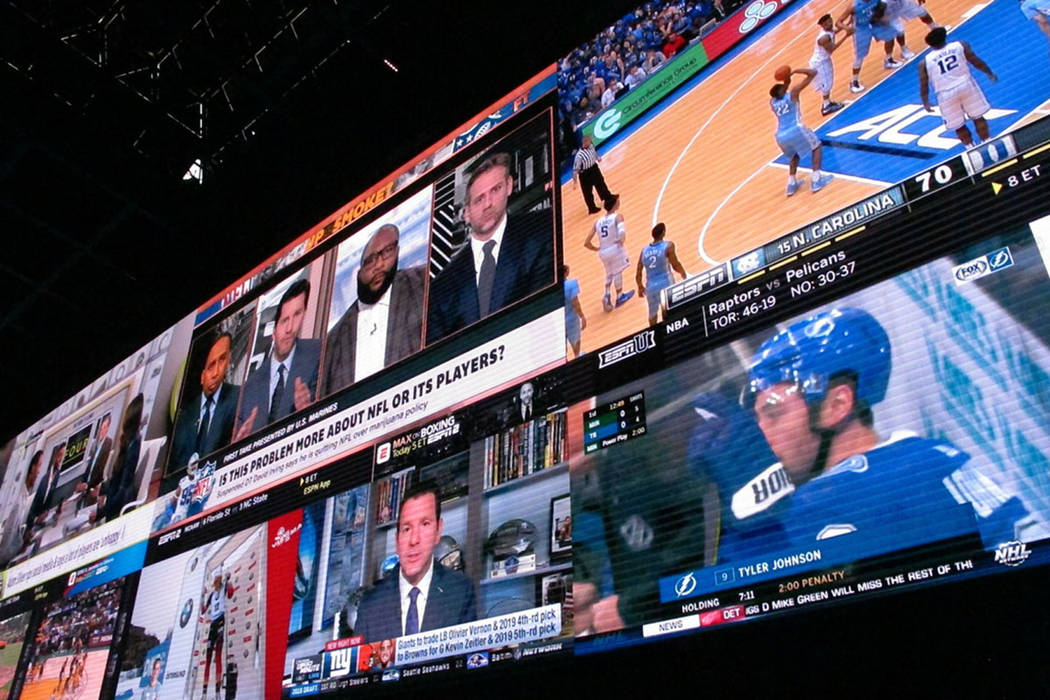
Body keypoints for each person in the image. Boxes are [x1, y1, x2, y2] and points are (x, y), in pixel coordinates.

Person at [743, 308, 1012, 557]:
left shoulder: (827, 500)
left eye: (774, 414)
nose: (762, 434)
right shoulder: (937, 454)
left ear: (836, 405)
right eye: (757, 419)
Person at [426, 152, 554, 344]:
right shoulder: (441, 288)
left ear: (509, 186)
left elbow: (543, 310)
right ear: (466, 213)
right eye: (479, 199)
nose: (488, 204)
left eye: (496, 190)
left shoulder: (542, 229)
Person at [354, 482, 476, 641]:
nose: (414, 540)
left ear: (438, 531)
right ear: (397, 540)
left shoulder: (460, 590)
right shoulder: (370, 604)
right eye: (406, 529)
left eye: (425, 524)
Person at [323, 224, 425, 395]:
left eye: (387, 252)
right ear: (359, 273)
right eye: (370, 260)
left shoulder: (422, 284)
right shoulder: (333, 341)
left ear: (398, 252)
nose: (378, 265)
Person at [234, 279, 321, 440]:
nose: (289, 329)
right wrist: (239, 446)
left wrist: (311, 413)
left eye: (297, 315)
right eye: (284, 321)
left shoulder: (318, 353)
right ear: (273, 331)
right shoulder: (249, 388)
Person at [169, 331, 239, 473]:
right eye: (211, 366)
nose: (216, 373)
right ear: (201, 376)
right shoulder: (184, 416)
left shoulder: (238, 397)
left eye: (223, 359)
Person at [919, 27, 997, 147]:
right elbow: (975, 60)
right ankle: (987, 142)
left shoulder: (924, 62)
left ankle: (969, 147)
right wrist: (988, 72)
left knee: (958, 125)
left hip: (945, 94)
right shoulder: (960, 45)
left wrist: (925, 101)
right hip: (966, 85)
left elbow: (924, 84)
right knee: (978, 116)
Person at [770, 68, 834, 196]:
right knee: (816, 147)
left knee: (794, 155)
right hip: (796, 128)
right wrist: (795, 71)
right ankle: (816, 180)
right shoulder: (793, 93)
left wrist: (786, 81)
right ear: (783, 90)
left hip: (780, 135)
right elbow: (813, 73)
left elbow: (782, 90)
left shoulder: (772, 102)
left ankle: (791, 184)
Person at [95, 393, 144, 522]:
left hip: (120, 510)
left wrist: (101, 512)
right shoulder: (128, 441)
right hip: (112, 502)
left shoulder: (134, 443)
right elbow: (117, 478)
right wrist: (102, 488)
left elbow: (123, 490)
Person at [837, 0, 901, 94]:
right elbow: (838, 22)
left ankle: (889, 60)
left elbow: (882, 6)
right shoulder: (853, 6)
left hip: (875, 24)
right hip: (861, 29)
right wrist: (847, 28)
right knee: (860, 56)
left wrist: (882, 17)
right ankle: (854, 81)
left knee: (890, 35)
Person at [584, 194, 635, 311]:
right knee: (617, 271)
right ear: (615, 204)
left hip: (603, 251)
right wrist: (621, 241)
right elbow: (622, 233)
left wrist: (596, 248)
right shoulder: (618, 217)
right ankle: (620, 296)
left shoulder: (598, 221)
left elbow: (586, 242)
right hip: (614, 248)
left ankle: (607, 294)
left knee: (609, 273)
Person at [636, 223, 687, 326]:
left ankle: (655, 335)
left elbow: (638, 271)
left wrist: (640, 286)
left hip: (651, 287)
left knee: (652, 315)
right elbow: (675, 264)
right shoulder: (668, 246)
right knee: (670, 311)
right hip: (666, 284)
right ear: (663, 233)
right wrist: (683, 273)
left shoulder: (644, 250)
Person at [809, 14, 852, 115]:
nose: (829, 23)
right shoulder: (823, 38)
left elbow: (834, 33)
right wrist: (846, 35)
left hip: (824, 60)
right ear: (822, 25)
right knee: (827, 84)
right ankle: (826, 107)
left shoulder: (829, 31)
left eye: (829, 21)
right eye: (826, 23)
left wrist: (847, 24)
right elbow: (832, 48)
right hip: (820, 62)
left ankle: (827, 103)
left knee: (829, 82)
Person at [200, 574, 230, 700]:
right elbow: (203, 610)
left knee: (218, 656)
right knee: (208, 659)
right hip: (212, 625)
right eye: (215, 582)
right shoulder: (212, 595)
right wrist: (201, 596)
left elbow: (231, 593)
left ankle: (218, 693)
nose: (217, 584)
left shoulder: (224, 587)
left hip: (221, 622)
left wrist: (229, 581)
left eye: (219, 582)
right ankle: (204, 693)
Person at [572, 135, 615, 215]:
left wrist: (597, 158)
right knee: (588, 192)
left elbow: (594, 153)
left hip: (594, 168)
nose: (591, 142)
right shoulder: (579, 155)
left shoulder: (591, 146)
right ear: (584, 142)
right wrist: (575, 182)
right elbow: (575, 170)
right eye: (589, 141)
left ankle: (608, 198)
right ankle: (592, 208)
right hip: (585, 174)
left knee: (601, 183)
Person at [76, 413, 113, 506]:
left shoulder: (108, 443)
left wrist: (87, 485)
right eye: (100, 428)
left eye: (104, 428)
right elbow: (89, 468)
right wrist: (82, 482)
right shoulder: (95, 444)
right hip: (87, 487)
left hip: (95, 487)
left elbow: (100, 471)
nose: (101, 431)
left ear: (108, 428)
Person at [563, 265, 587, 358]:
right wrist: (582, 316)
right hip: (571, 318)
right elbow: (575, 303)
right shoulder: (570, 285)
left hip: (558, 321)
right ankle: (577, 356)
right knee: (575, 339)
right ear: (566, 272)